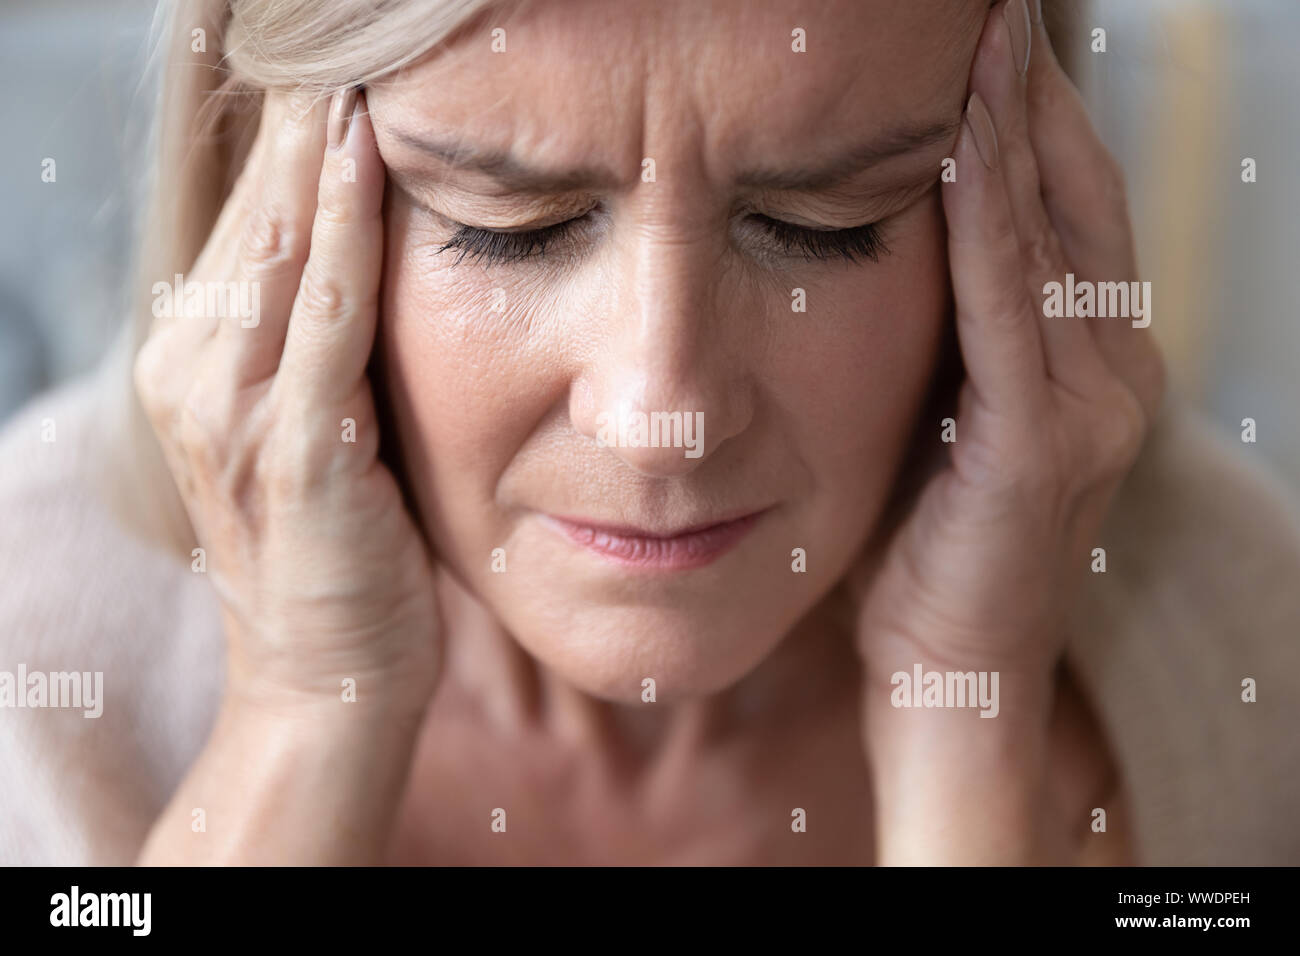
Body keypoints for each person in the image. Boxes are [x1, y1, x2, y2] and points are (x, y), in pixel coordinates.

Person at [2, 0, 1298, 866]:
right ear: (260, 197)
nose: (662, 413)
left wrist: (972, 728)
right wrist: (301, 713)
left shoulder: (1242, 653)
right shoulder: (39, 646)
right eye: (508, 227)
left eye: (824, 224)